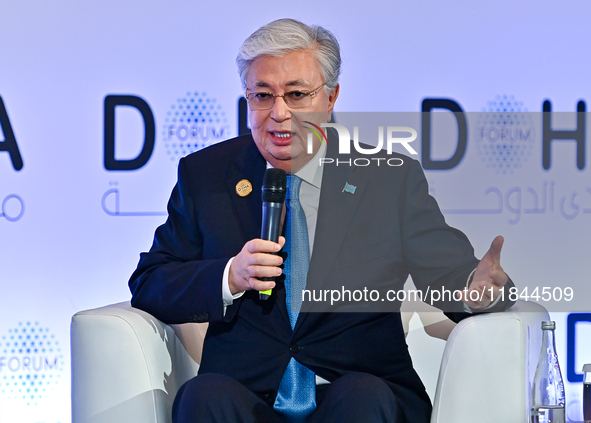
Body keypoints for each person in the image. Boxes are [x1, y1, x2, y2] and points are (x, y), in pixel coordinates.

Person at [129, 18, 514, 423]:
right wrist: (229, 277)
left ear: (330, 98)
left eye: (296, 95)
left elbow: (447, 272)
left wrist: (479, 290)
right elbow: (151, 280)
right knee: (201, 396)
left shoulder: (386, 176)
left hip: (356, 390)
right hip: (248, 394)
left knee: (361, 397)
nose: (278, 113)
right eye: (262, 95)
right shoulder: (207, 175)